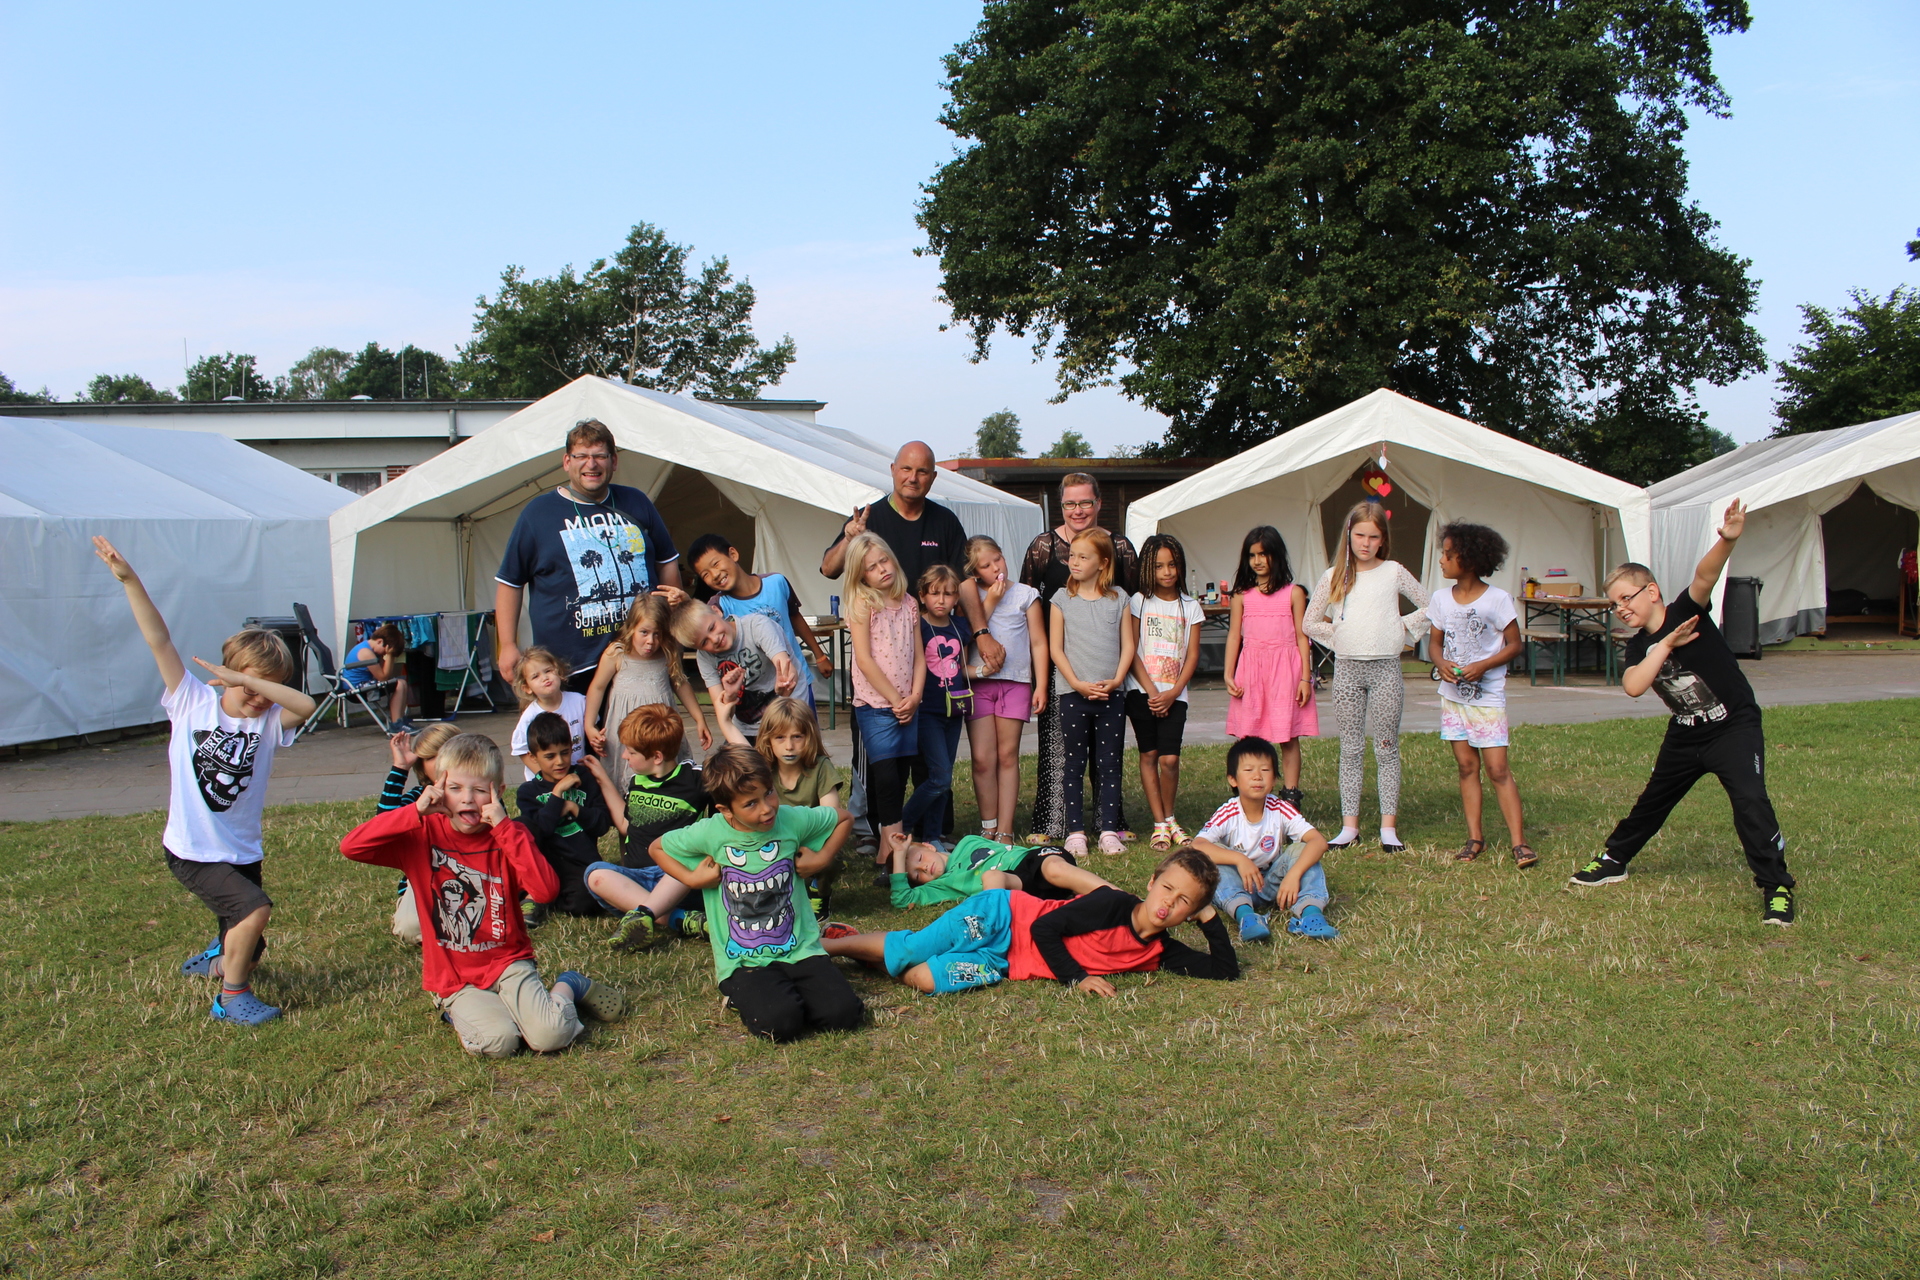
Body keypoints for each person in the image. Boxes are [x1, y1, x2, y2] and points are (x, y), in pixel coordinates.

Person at [94, 536, 316, 1027]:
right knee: (254, 911)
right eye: (248, 682)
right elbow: (158, 639)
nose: (258, 697)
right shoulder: (191, 701)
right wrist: (129, 581)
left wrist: (254, 684)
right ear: (226, 673)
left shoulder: (269, 720)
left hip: (242, 851)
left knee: (248, 949)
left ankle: (219, 958)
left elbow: (306, 705)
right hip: (193, 850)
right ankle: (230, 998)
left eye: (268, 687)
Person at [1577, 500, 1798, 926]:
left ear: (1652, 591)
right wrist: (1664, 644)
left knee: (1750, 801)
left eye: (1626, 598)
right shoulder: (1639, 646)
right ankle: (1614, 860)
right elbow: (1634, 686)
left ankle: (1777, 887)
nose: (1621, 608)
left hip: (1733, 727)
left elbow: (1704, 576)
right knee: (1653, 799)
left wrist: (1727, 540)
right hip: (1686, 733)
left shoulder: (1686, 611)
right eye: (1614, 604)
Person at [340, 733, 625, 1058]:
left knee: (551, 1036)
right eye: (455, 788)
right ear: (438, 788)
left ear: (498, 792)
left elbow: (545, 890)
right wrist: (415, 811)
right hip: (456, 975)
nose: (467, 800)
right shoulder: (423, 832)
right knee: (499, 1042)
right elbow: (352, 847)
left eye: (478, 790)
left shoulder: (509, 834)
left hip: (509, 961)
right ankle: (467, 1008)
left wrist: (505, 830)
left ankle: (569, 985)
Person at [653, 745, 863, 1043]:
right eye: (750, 803)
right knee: (779, 1025)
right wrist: (692, 879)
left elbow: (844, 819)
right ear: (725, 809)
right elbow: (657, 847)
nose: (766, 808)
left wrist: (822, 858)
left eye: (769, 793)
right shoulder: (709, 833)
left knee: (843, 1016)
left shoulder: (791, 819)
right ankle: (740, 994)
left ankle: (793, 990)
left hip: (800, 949)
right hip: (744, 961)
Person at [821, 847, 1237, 996]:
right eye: (1167, 888)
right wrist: (1078, 978)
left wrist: (1209, 919)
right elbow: (1043, 929)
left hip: (1003, 963)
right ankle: (826, 947)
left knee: (922, 978)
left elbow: (1224, 971)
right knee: (914, 948)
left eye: (1183, 902)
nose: (1168, 903)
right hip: (1001, 916)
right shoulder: (1112, 904)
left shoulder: (1159, 952)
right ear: (1152, 882)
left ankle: (864, 950)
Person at [495, 419, 683, 693]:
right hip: (569, 667)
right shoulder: (538, 514)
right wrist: (508, 645)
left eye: (599, 456)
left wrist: (672, 625)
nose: (591, 464)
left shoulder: (637, 502)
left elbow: (667, 564)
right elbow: (510, 582)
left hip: (639, 658)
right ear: (566, 462)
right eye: (581, 456)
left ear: (614, 461)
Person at [1303, 501, 1430, 853]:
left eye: (1374, 537)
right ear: (1349, 535)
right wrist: (1340, 636)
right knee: (1351, 748)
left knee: (1387, 746)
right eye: (1360, 535)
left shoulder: (1393, 572)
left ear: (1383, 539)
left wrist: (1401, 630)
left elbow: (1429, 605)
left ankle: (1389, 827)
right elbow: (1310, 621)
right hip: (1347, 670)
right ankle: (1349, 826)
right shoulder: (1334, 576)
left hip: (1386, 667)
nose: (1366, 543)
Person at [1021, 473, 1140, 844]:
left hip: (1107, 665)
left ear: (1099, 503)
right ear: (1061, 506)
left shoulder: (1119, 546)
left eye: (1085, 502)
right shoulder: (1043, 546)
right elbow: (1026, 601)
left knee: (1108, 753)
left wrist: (1123, 673)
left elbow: (1132, 601)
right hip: (1063, 665)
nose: (1078, 510)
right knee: (1059, 751)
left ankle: (1109, 823)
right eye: (1070, 503)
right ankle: (1053, 822)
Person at [1427, 522, 1534, 868]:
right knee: (1466, 766)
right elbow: (1434, 644)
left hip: (1487, 698)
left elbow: (1515, 645)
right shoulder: (1440, 599)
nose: (1442, 560)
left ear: (1470, 559)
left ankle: (1519, 842)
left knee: (1498, 769)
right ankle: (1475, 838)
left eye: (1448, 554)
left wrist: (1484, 665)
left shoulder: (1497, 599)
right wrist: (1441, 663)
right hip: (1453, 697)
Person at [583, 705, 709, 953]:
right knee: (594, 873)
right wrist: (602, 779)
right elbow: (625, 826)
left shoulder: (695, 778)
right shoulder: (636, 782)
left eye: (631, 752)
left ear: (657, 757)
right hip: (636, 879)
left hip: (677, 878)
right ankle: (680, 920)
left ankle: (651, 912)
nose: (624, 756)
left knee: (692, 856)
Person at [1190, 736, 1337, 942]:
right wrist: (1239, 860)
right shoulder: (1228, 812)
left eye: (1265, 770)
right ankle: (1246, 916)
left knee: (1304, 850)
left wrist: (1294, 875)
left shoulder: (1280, 808)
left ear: (1275, 779)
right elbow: (1197, 845)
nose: (1257, 777)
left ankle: (1311, 914)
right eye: (1248, 770)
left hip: (1275, 882)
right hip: (1240, 884)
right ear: (1233, 779)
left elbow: (1318, 842)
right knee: (1214, 859)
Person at [1050, 528, 1136, 857]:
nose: (1074, 562)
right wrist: (1076, 683)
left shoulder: (1119, 599)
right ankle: (1075, 833)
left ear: (1103, 563)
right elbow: (1056, 649)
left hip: (1111, 696)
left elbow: (1128, 646)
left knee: (1110, 764)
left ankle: (1109, 831)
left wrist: (1116, 681)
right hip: (1073, 695)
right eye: (1072, 555)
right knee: (1073, 764)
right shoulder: (1061, 599)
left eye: (1083, 557)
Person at [960, 535, 1047, 846]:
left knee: (1008, 756)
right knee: (983, 758)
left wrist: (1040, 684)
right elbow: (966, 634)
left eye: (997, 559)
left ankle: (1006, 828)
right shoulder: (968, 596)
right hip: (979, 685)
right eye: (985, 565)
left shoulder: (1026, 594)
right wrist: (991, 601)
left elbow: (1038, 642)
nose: (995, 568)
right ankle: (989, 825)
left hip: (1016, 682)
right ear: (974, 572)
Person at [844, 531, 926, 864]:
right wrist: (895, 699)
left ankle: (888, 849)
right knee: (886, 777)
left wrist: (915, 696)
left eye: (884, 561)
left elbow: (919, 657)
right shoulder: (863, 604)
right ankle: (891, 850)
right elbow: (864, 660)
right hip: (876, 706)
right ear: (861, 575)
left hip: (908, 705)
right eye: (872, 567)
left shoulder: (909, 603)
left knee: (902, 774)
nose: (882, 569)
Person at [1222, 526, 1318, 808]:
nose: (1258, 561)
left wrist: (1305, 678)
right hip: (1251, 671)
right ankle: (1246, 794)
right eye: (1252, 555)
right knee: (1248, 735)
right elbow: (1234, 636)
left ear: (1277, 555)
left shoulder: (1294, 593)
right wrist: (1228, 673)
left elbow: (1302, 637)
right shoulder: (1241, 595)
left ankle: (1290, 797)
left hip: (1285, 673)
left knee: (1288, 736)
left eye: (1264, 554)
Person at [686, 532, 833, 706]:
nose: (715, 575)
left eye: (716, 564)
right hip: (758, 694)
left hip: (796, 679)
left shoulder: (777, 582)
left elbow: (795, 617)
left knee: (804, 723)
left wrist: (819, 655)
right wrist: (684, 603)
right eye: (705, 574)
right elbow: (698, 624)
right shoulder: (718, 606)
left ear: (733, 554)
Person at [583, 593, 709, 793]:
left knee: (665, 775)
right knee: (627, 780)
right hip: (626, 732)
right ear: (631, 627)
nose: (651, 641)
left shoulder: (667, 652)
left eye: (657, 634)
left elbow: (680, 683)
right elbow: (597, 687)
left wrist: (699, 718)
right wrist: (589, 725)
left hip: (660, 729)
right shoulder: (616, 653)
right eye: (644, 632)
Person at [1127, 534, 1206, 850]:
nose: (1167, 572)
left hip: (1175, 695)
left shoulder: (1191, 606)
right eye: (1159, 566)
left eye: (1172, 564)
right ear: (1148, 568)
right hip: (1141, 692)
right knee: (1149, 754)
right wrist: (1150, 691)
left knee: (1170, 759)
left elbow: (1193, 655)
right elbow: (1131, 650)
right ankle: (1159, 823)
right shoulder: (1138, 602)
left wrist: (1173, 693)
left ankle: (1171, 817)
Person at [515, 711, 615, 919]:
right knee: (521, 824)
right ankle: (534, 893)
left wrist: (573, 807)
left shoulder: (585, 779)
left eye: (565, 752)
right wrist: (558, 793)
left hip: (580, 863)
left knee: (585, 904)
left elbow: (602, 825)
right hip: (544, 863)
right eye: (550, 756)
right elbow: (541, 830)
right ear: (533, 757)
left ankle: (546, 899)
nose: (560, 761)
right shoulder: (528, 792)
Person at [902, 565, 973, 845]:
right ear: (922, 596)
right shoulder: (917, 626)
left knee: (945, 777)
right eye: (934, 593)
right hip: (927, 711)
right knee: (939, 777)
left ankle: (933, 837)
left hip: (954, 710)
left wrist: (985, 670)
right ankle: (902, 824)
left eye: (948, 594)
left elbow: (961, 665)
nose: (941, 600)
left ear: (956, 598)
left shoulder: (960, 626)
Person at [757, 697, 844, 917]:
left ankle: (818, 891)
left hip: (811, 841)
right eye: (780, 737)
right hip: (774, 841)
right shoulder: (762, 771)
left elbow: (832, 819)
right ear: (768, 739)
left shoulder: (821, 767)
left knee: (830, 852)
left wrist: (819, 856)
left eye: (797, 736)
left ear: (810, 736)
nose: (789, 746)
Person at [377, 722, 462, 943]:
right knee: (410, 928)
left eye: (447, 754)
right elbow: (383, 824)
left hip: (475, 874)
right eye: (432, 757)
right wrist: (400, 768)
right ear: (422, 766)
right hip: (426, 880)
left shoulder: (480, 792)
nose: (441, 763)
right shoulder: (417, 797)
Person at [673, 597, 798, 741]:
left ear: (716, 611)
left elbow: (786, 666)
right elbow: (723, 713)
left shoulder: (757, 625)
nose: (714, 639)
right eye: (704, 642)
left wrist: (785, 681)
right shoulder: (705, 657)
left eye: (712, 628)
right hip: (746, 727)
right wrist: (730, 696)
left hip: (786, 719)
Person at [886, 831, 1113, 910]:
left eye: (919, 858)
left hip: (1034, 861)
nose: (924, 867)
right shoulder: (940, 886)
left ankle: (1120, 898)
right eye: (918, 875)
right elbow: (902, 900)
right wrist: (899, 853)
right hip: (1019, 886)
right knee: (991, 876)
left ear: (928, 846)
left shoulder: (968, 842)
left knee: (1054, 869)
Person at [509, 647, 586, 781]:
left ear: (559, 672)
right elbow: (520, 749)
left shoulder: (579, 701)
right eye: (535, 676)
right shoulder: (530, 716)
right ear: (527, 688)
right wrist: (544, 777)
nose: (545, 678)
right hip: (547, 782)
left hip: (577, 772)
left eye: (548, 671)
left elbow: (591, 727)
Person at [341, 622, 414, 732]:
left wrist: (388, 656)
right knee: (399, 684)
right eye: (385, 651)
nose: (384, 654)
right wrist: (390, 656)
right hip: (354, 690)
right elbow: (383, 678)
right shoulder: (366, 652)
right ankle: (396, 724)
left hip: (363, 685)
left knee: (402, 682)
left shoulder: (370, 649)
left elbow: (385, 675)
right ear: (380, 641)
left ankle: (401, 721)